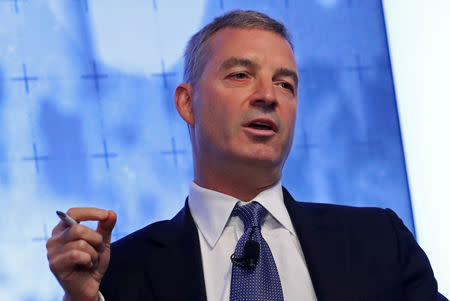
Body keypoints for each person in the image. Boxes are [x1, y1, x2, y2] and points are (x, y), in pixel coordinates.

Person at [46, 10, 447, 301]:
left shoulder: (378, 241)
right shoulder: (121, 271)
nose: (268, 96)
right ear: (187, 103)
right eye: (240, 75)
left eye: (285, 83)